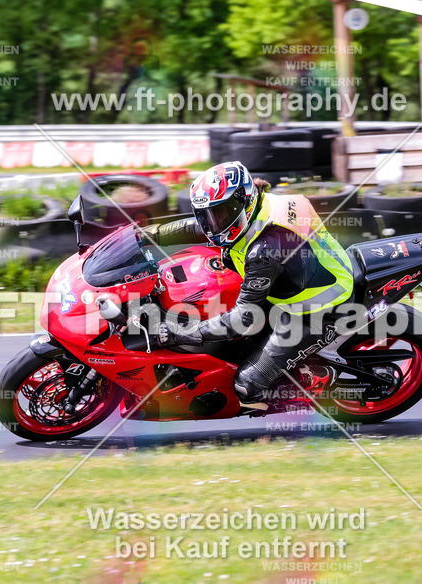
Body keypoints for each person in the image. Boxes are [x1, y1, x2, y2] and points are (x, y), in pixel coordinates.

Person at [139, 161, 354, 407]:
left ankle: (317, 376)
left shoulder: (265, 248)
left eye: (220, 214)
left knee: (246, 385)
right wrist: (149, 234)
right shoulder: (259, 207)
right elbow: (199, 227)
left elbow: (244, 319)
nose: (213, 224)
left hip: (316, 308)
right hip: (297, 278)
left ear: (244, 201)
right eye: (208, 214)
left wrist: (181, 334)